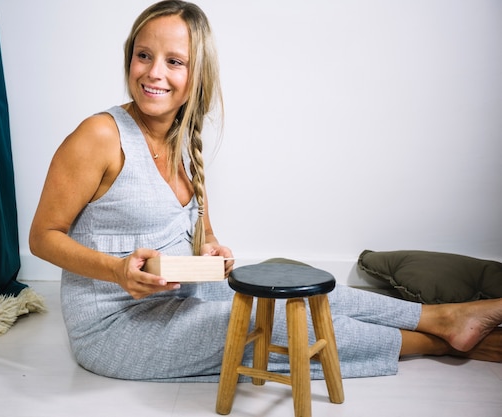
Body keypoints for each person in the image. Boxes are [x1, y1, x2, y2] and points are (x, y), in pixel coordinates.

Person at [29, 0, 502, 382]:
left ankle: (439, 317)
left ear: (196, 75)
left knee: (302, 289)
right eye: (144, 55)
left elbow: (202, 237)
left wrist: (213, 252)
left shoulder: (185, 144)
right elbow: (42, 236)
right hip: (118, 327)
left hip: (184, 299)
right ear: (130, 57)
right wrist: (117, 270)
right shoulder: (100, 135)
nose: (154, 73)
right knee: (274, 326)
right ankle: (446, 343)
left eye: (175, 62)